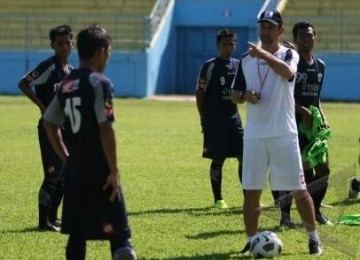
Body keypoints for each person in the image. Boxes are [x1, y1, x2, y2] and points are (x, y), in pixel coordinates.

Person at [231, 10, 323, 255]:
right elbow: (234, 94)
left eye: (271, 27)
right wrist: (244, 96)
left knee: (299, 190)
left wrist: (263, 54)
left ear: (280, 30)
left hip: (284, 133)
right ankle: (252, 241)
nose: (266, 31)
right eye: (262, 26)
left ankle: (313, 239)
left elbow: (288, 73)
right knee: (251, 192)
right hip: (255, 135)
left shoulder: (289, 54)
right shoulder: (245, 60)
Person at [42, 24, 137, 259]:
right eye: (110, 51)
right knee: (120, 237)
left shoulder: (66, 84)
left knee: (77, 234)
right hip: (100, 169)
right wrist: (113, 170)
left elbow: (49, 122)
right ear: (101, 51)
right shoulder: (99, 83)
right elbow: (105, 128)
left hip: (75, 170)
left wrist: (66, 157)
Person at [17, 24, 74, 231]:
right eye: (60, 43)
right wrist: (42, 107)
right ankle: (43, 222)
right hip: (49, 127)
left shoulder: (70, 71)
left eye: (68, 42)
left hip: (65, 128)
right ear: (53, 45)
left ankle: (53, 217)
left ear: (73, 43)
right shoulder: (48, 66)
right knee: (51, 173)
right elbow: (23, 83)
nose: (64, 46)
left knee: (63, 173)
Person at [276, 21, 333, 227]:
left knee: (323, 169)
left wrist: (323, 117)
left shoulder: (321, 66)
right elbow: (283, 95)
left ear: (315, 37)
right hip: (292, 124)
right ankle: (285, 217)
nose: (306, 39)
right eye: (302, 36)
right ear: (296, 39)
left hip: (313, 127)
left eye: (309, 35)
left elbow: (316, 98)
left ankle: (315, 211)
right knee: (293, 172)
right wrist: (302, 111)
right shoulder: (291, 64)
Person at [195, 29, 244, 209]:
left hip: (234, 118)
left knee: (244, 157)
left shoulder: (239, 65)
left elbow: (242, 93)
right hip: (214, 120)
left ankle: (248, 197)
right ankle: (218, 199)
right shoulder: (209, 66)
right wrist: (203, 119)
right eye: (225, 44)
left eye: (232, 44)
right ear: (218, 45)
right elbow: (200, 94)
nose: (229, 47)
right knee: (218, 159)